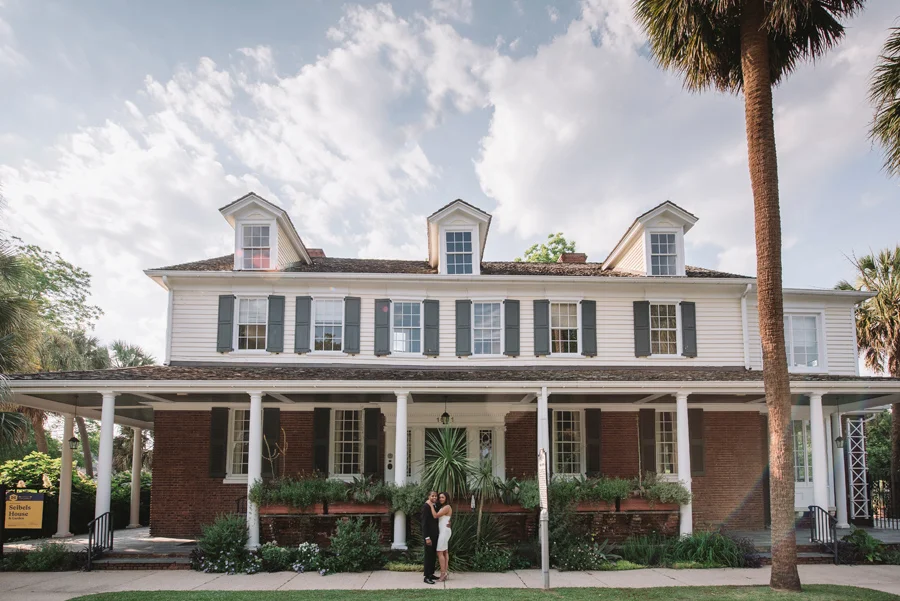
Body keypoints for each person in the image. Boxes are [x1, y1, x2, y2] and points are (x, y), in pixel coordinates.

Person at [427, 491, 453, 582]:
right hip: (444, 530)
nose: (440, 499)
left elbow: (435, 516)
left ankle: (442, 574)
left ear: (446, 498)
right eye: (440, 497)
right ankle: (445, 572)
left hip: (444, 532)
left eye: (442, 497)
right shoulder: (443, 507)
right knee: (445, 552)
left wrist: (430, 505)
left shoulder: (447, 507)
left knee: (439, 552)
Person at [421, 491, 439, 584]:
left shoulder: (435, 506)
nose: (434, 497)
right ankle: (426, 576)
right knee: (428, 556)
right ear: (429, 497)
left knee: (433, 555)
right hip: (429, 536)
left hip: (435, 535)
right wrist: (426, 537)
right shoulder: (426, 507)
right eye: (432, 496)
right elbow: (424, 523)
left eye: (436, 496)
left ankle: (431, 573)